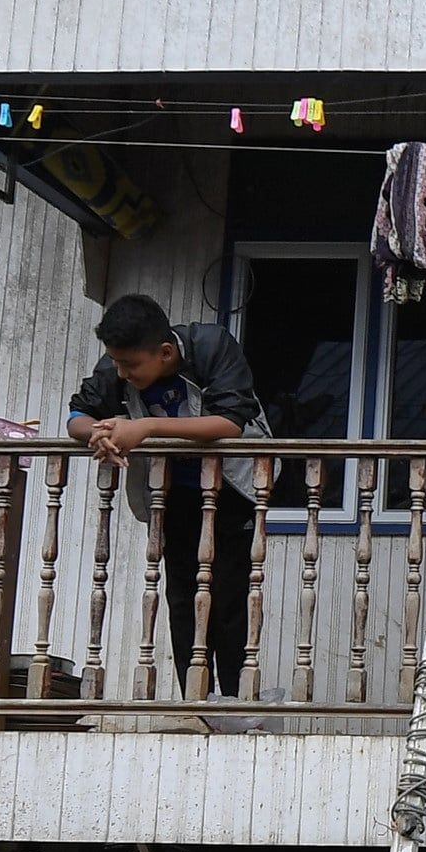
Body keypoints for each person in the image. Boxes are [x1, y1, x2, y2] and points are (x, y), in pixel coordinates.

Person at [68, 294, 268, 695]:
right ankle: (194, 700)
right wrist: (99, 434)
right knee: (181, 598)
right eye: (117, 364)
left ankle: (231, 701)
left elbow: (230, 423)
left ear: (164, 351)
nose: (122, 374)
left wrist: (144, 429)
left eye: (131, 366)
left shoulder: (211, 347)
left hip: (232, 490)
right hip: (171, 495)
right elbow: (77, 415)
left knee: (229, 600)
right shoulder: (117, 365)